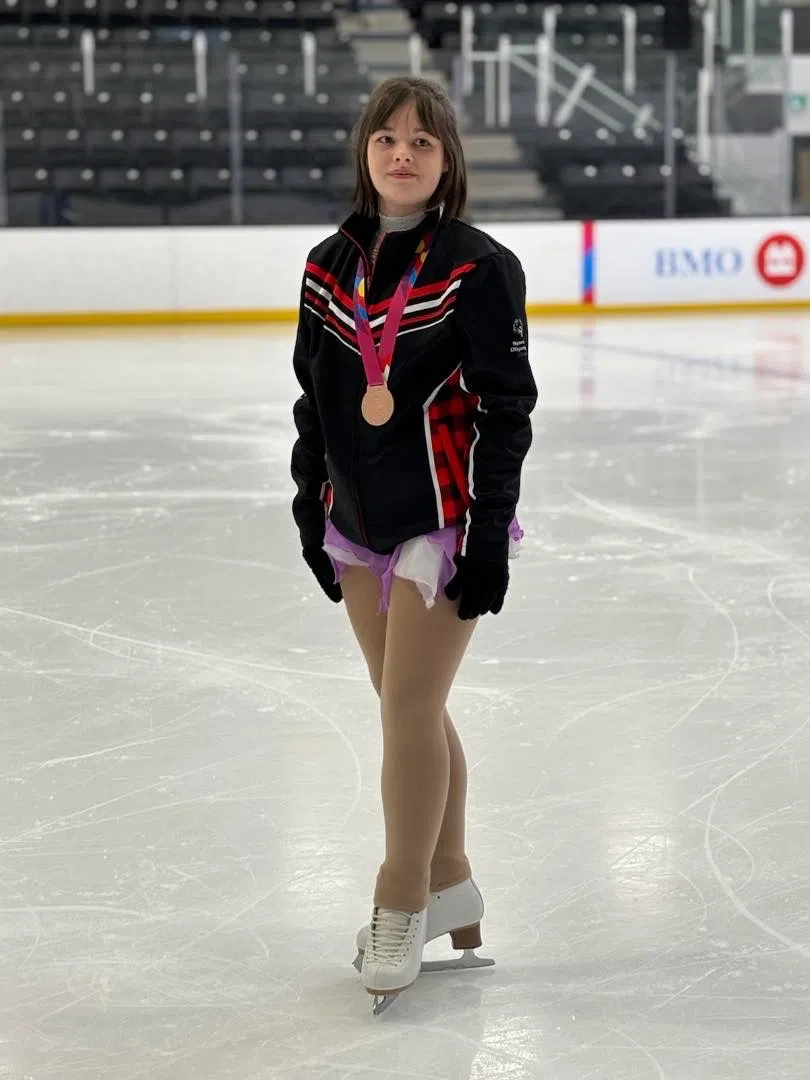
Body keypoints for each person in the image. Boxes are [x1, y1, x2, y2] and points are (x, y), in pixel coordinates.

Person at [290, 75, 537, 1011]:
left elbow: (507, 410)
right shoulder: (326, 263)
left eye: (422, 143)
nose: (402, 154)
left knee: (406, 712)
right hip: (356, 521)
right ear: (365, 151)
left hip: (443, 522)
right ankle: (454, 882)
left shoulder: (479, 265)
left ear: (447, 162)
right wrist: (305, 503)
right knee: (412, 711)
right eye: (387, 138)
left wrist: (486, 537)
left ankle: (400, 902)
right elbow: (315, 398)